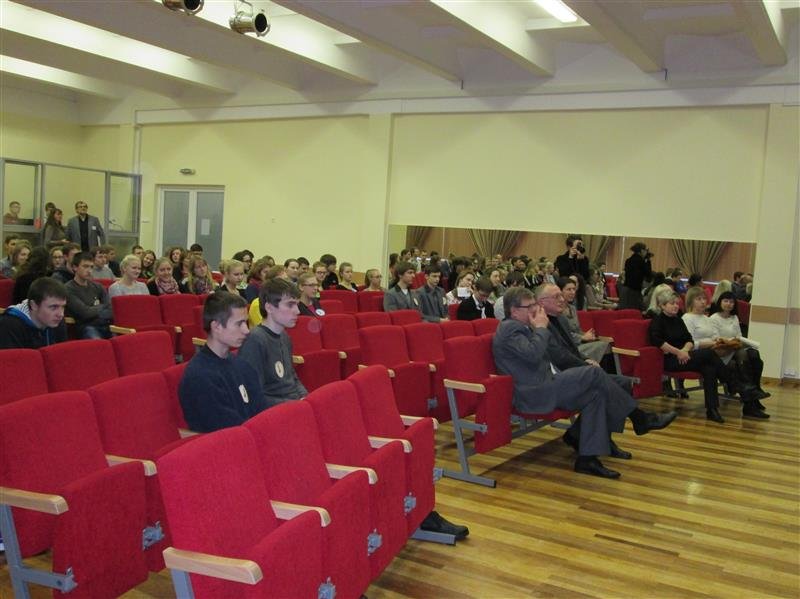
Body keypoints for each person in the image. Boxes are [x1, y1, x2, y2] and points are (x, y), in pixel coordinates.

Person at [493, 287, 677, 479]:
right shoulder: (509, 329)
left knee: (597, 393)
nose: (535, 309)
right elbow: (533, 355)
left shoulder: (523, 326)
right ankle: (640, 418)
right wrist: (540, 328)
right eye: (529, 306)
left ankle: (587, 458)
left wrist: (539, 329)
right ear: (514, 311)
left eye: (534, 304)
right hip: (534, 393)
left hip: (547, 383)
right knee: (594, 374)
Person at [648, 288, 745, 423]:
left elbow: (689, 340)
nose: (676, 306)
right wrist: (679, 352)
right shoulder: (657, 321)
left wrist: (685, 350)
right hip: (670, 359)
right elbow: (658, 342)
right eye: (672, 303)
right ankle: (732, 383)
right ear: (662, 306)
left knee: (709, 369)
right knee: (709, 353)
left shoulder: (678, 320)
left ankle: (712, 410)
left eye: (676, 303)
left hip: (684, 356)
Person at [178, 292, 265, 432]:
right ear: (216, 327)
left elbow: (261, 410)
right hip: (226, 442)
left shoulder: (242, 365)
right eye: (239, 324)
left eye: (246, 322)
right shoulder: (199, 376)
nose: (246, 330)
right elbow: (226, 429)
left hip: (251, 435)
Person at [238, 278, 307, 408]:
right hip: (274, 410)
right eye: (290, 305)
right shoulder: (255, 340)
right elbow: (253, 393)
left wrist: (305, 398)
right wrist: (294, 405)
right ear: (269, 307)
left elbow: (292, 378)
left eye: (297, 305)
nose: (297, 311)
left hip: (292, 405)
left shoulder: (284, 337)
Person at [709, 291, 770, 405]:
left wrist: (736, 341)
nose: (729, 304)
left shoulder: (734, 317)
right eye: (726, 301)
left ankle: (756, 388)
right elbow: (716, 339)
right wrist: (733, 342)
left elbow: (739, 336)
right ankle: (753, 394)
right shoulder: (714, 318)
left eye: (731, 302)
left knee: (754, 354)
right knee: (744, 355)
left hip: (734, 349)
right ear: (720, 302)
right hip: (723, 351)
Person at [0, 277, 67, 349]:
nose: (61, 314)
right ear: (34, 305)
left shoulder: (58, 322)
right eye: (53, 307)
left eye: (63, 307)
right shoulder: (9, 325)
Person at [556, 277, 609, 363]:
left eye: (574, 289)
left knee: (605, 344)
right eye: (569, 289)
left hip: (580, 342)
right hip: (569, 346)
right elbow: (563, 334)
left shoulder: (572, 308)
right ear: (560, 291)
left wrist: (587, 335)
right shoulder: (556, 310)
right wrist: (582, 337)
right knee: (603, 346)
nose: (572, 292)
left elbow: (577, 330)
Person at [64, 252, 113, 339]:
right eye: (85, 266)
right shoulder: (68, 289)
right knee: (99, 344)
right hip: (86, 328)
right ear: (75, 267)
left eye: (91, 267)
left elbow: (110, 309)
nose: (89, 270)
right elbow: (85, 313)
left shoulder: (98, 286)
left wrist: (93, 309)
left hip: (106, 325)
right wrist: (102, 306)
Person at [620, 242, 652, 311]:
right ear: (642, 250)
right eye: (646, 250)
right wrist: (648, 261)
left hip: (626, 289)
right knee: (634, 312)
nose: (646, 252)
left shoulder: (628, 260)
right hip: (634, 291)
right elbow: (648, 275)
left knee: (625, 311)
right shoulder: (641, 261)